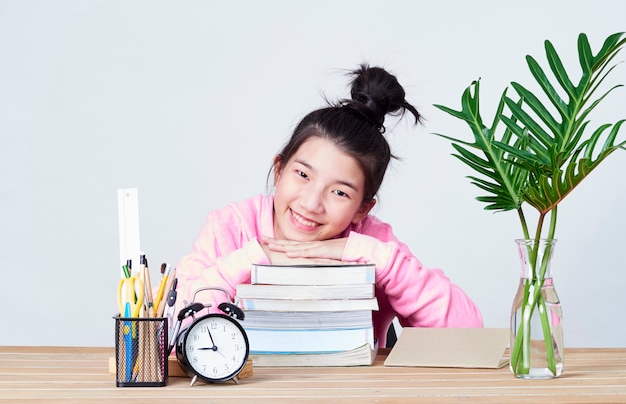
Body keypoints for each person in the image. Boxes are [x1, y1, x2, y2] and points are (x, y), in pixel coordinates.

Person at [174, 64, 483, 347]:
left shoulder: (373, 243)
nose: (311, 204)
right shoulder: (230, 227)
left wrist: (384, 262)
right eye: (302, 174)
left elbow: (468, 341)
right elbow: (175, 328)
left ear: (363, 209)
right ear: (279, 169)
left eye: (339, 193)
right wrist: (254, 258)